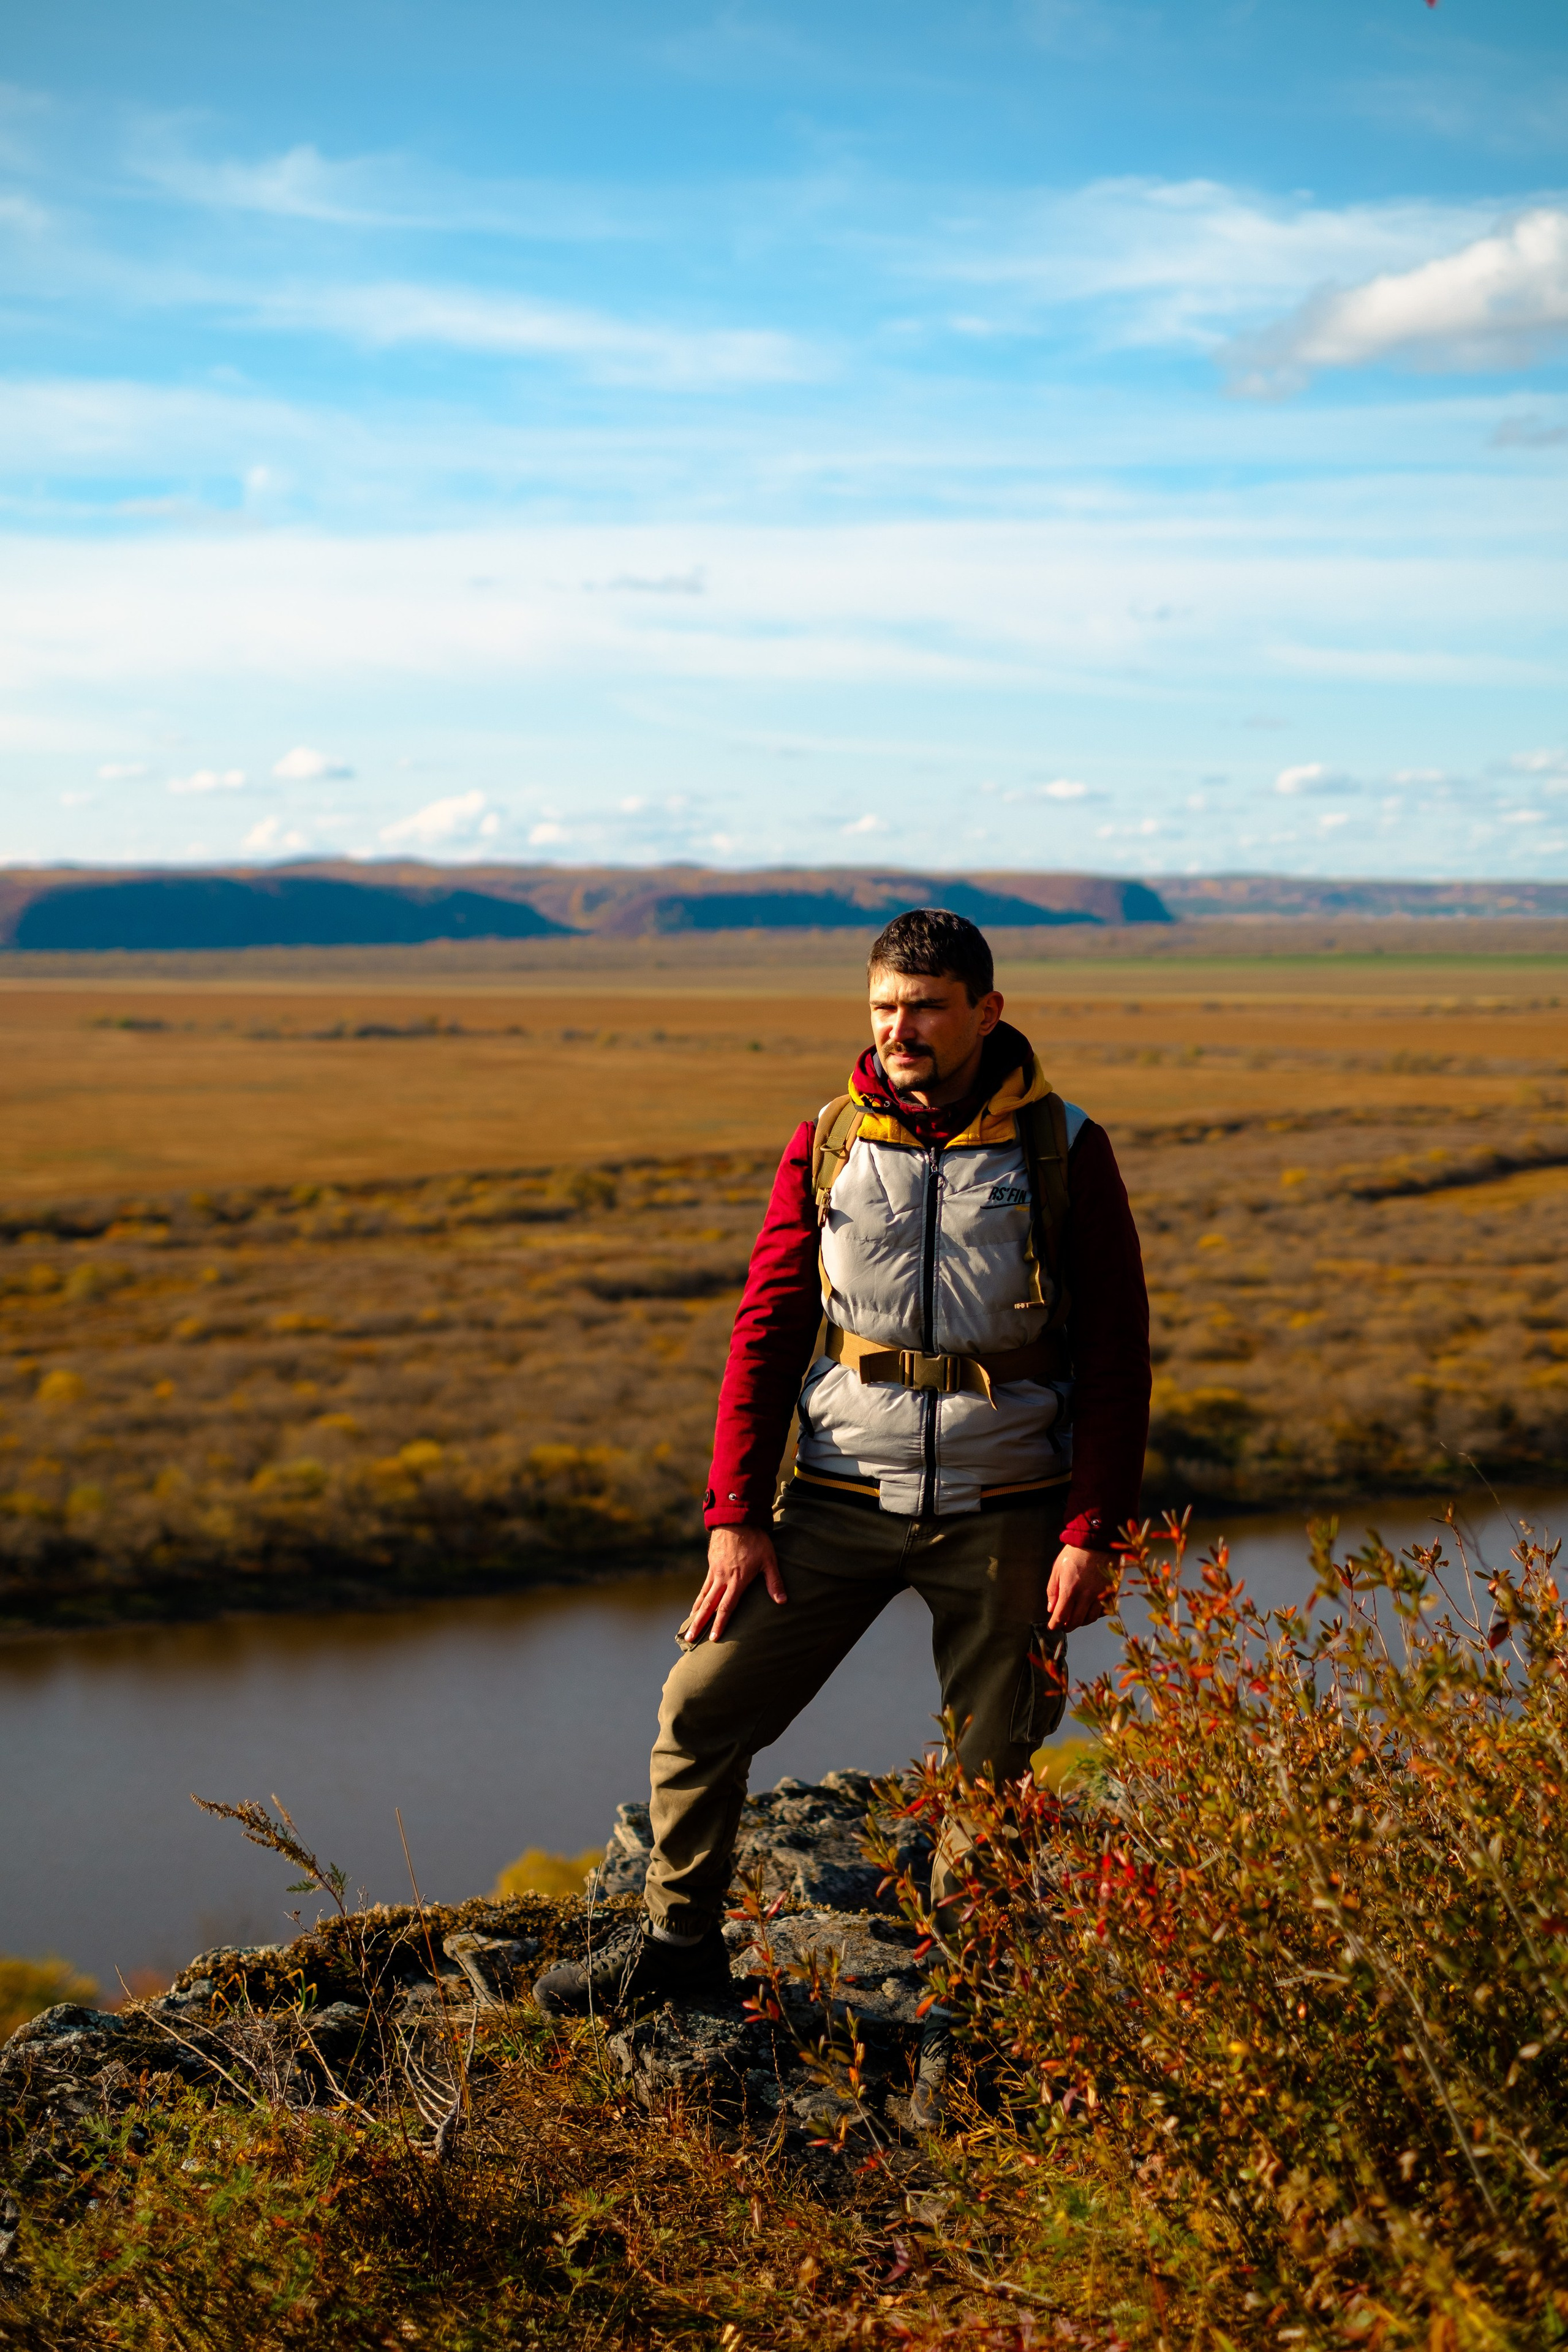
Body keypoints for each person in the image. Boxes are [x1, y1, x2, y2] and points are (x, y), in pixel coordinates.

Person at [535, 907, 1151, 2116]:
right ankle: (675, 1945)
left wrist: (1091, 1532)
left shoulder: (1061, 1148)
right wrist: (733, 1512)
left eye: (923, 1007)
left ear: (984, 1008)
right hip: (833, 1495)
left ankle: (965, 2019)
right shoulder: (825, 1141)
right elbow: (765, 1328)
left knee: (985, 1780)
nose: (898, 1029)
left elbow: (1117, 1357)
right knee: (700, 1705)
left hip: (1006, 1504)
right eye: (881, 1007)